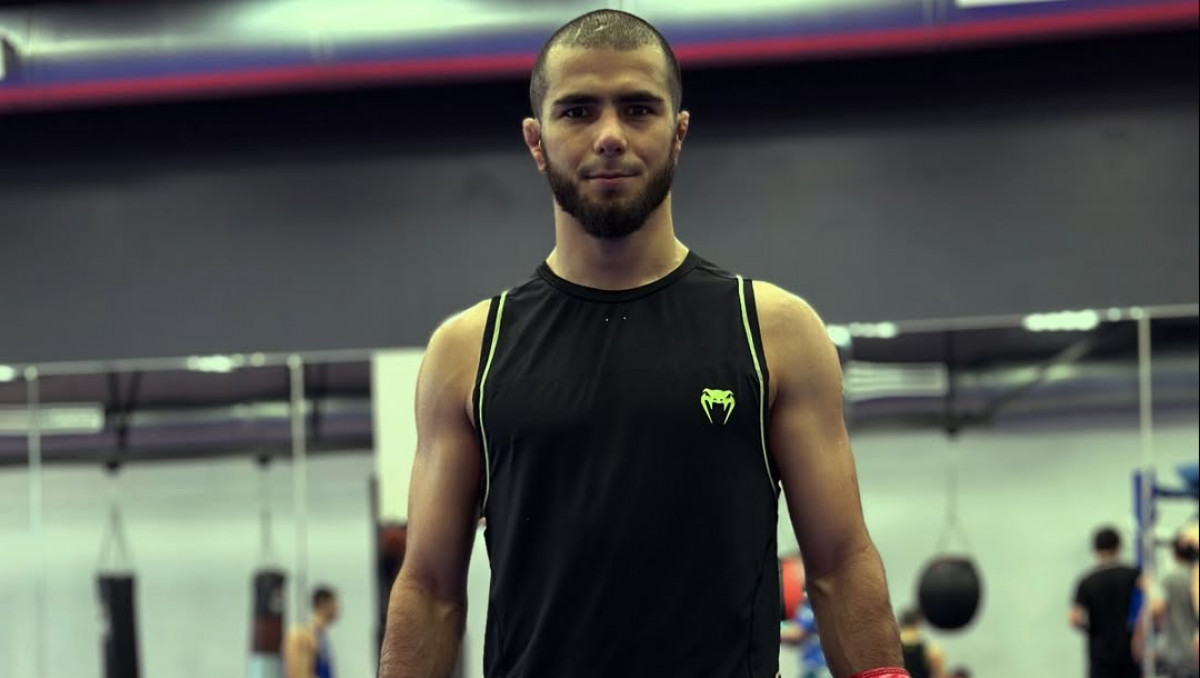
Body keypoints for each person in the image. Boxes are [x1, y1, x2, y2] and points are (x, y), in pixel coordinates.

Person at [377, 9, 909, 678]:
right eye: (577, 111)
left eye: (637, 109)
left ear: (678, 132)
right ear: (536, 141)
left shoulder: (773, 331)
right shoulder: (468, 352)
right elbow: (429, 590)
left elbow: (838, 563)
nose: (609, 136)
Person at [1071, 526, 1141, 678]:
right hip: (1129, 652)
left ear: (1095, 550)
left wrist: (1092, 629)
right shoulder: (1133, 575)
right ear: (1118, 547)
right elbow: (1152, 603)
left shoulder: (1086, 581)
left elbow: (1075, 619)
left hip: (1100, 655)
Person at [1136, 524, 1199, 678]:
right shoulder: (1190, 578)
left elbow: (1156, 609)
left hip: (1181, 655)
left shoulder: (1170, 580)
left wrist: (1137, 644)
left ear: (1174, 553)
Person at [285, 586, 339, 678]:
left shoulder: (322, 637)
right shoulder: (302, 636)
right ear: (324, 603)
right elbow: (298, 675)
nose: (338, 609)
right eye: (335, 604)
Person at [782, 595, 832, 678]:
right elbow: (796, 641)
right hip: (812, 667)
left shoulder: (813, 606)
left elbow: (797, 634)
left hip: (819, 668)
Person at [898, 608, 946, 678]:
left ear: (900, 623)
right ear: (918, 623)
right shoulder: (931, 650)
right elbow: (940, 675)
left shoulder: (891, 649)